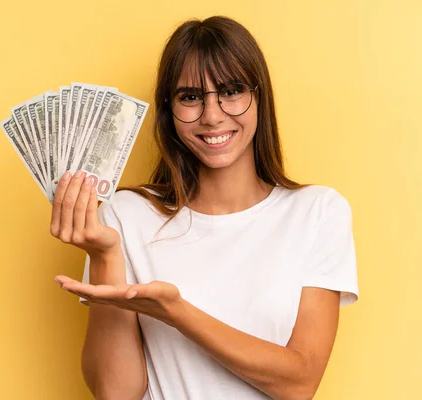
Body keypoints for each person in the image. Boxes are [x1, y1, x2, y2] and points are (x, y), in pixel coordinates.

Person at [50, 15, 359, 400]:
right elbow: (117, 394)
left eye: (231, 91)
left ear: (260, 97)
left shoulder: (317, 212)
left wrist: (176, 311)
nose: (212, 116)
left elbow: (299, 383)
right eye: (191, 97)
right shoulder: (125, 216)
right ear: (169, 108)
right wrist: (104, 254)